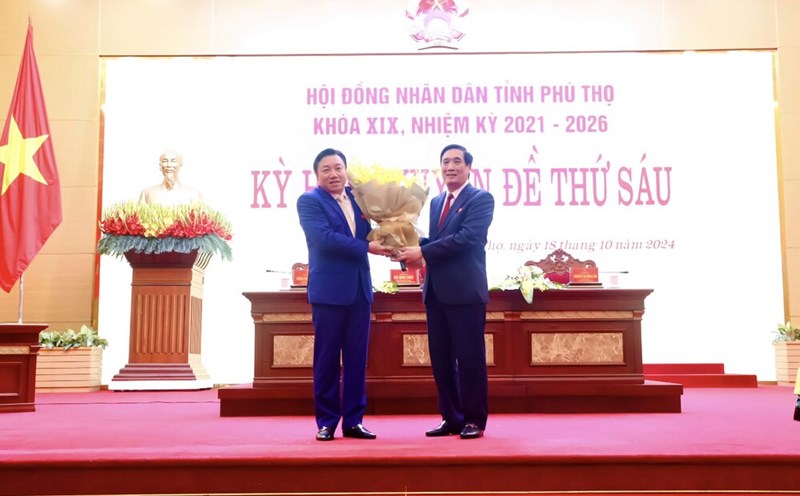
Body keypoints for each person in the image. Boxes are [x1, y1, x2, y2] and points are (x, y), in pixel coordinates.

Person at [394, 143, 495, 439]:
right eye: (446, 162)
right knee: (441, 359)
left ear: (468, 167)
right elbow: (438, 240)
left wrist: (422, 252)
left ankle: (473, 419)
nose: (450, 167)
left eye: (456, 161)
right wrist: (403, 242)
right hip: (436, 292)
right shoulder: (437, 202)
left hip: (465, 293)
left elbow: (466, 239)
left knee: (470, 359)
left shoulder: (481, 198)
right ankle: (451, 417)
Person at [296, 147, 392, 441]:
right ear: (317, 174)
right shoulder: (309, 201)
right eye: (326, 169)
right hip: (329, 293)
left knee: (356, 360)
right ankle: (326, 422)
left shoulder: (358, 197)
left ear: (346, 170)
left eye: (338, 168)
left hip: (359, 291)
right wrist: (368, 248)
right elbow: (324, 239)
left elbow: (372, 232)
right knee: (326, 360)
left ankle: (353, 421)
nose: (334, 174)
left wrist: (396, 235)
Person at [138, 149, 203, 205]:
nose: (169, 165)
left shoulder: (194, 195)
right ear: (160, 166)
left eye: (173, 161)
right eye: (165, 161)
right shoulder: (147, 193)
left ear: (180, 165)